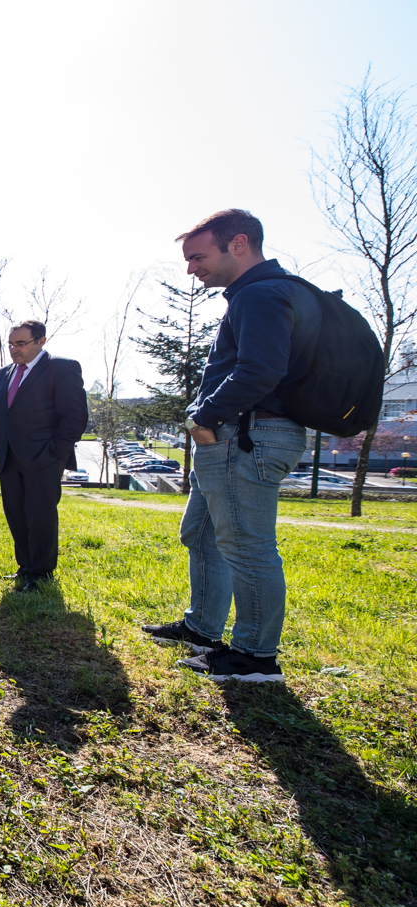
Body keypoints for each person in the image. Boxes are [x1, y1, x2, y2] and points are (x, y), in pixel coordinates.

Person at [141, 210, 311, 683]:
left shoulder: (260, 293)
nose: (191, 269)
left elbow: (259, 371)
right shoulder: (257, 294)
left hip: (246, 436)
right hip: (233, 436)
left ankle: (256, 657)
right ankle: (203, 628)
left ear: (238, 244)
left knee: (247, 545)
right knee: (200, 533)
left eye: (197, 257)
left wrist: (203, 417)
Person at [0, 321, 88, 591]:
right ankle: (26, 567)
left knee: (40, 515)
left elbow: (75, 417)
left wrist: (56, 453)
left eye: (21, 343)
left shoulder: (62, 368)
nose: (14, 349)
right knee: (15, 514)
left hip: (44, 458)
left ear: (41, 341)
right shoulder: (4, 374)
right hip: (9, 458)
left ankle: (41, 574)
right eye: (11, 344)